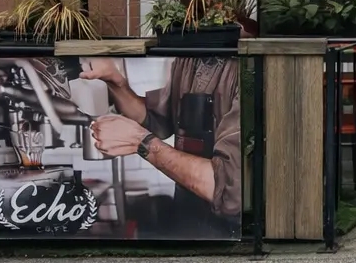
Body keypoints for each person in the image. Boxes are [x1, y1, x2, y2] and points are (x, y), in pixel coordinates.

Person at [81, 56, 241, 238]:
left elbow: (227, 190)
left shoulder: (246, 71)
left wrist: (141, 142)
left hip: (230, 235)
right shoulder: (189, 59)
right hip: (187, 218)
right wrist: (115, 81)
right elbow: (156, 120)